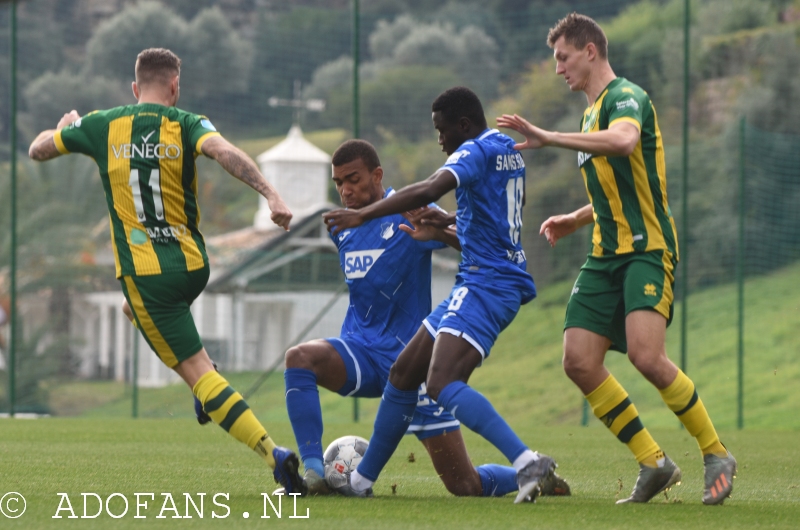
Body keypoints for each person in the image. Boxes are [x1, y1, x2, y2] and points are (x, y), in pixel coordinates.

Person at [28, 47, 305, 494]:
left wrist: (63, 129)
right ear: (174, 87)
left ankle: (275, 456)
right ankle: (206, 390)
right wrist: (270, 194)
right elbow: (224, 152)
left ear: (135, 88)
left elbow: (37, 150)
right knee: (129, 308)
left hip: (147, 276)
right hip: (193, 266)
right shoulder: (188, 123)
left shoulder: (100, 125)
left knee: (197, 370)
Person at [496, 13, 736, 505]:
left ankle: (716, 453)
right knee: (578, 361)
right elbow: (618, 190)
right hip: (604, 255)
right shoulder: (589, 114)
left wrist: (549, 138)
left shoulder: (626, 97)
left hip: (647, 250)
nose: (558, 68)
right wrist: (574, 219)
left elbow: (626, 142)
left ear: (590, 51)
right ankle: (654, 463)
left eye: (562, 58)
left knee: (647, 356)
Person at [285, 139, 570, 498]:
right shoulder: (340, 227)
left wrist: (438, 232)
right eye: (338, 182)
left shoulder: (410, 210)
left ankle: (534, 478)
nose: (345, 190)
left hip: (414, 364)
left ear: (377, 175)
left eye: (353, 179)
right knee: (300, 359)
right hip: (361, 352)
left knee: (464, 485)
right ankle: (312, 476)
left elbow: (478, 247)